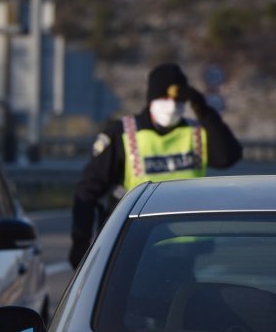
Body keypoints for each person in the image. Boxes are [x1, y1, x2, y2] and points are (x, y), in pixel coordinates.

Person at [68, 63, 243, 268]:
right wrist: (81, 241)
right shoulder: (124, 134)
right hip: (134, 245)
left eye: (178, 99)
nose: (171, 105)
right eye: (165, 98)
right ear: (152, 99)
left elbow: (228, 157)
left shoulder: (195, 132)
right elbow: (88, 190)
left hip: (188, 247)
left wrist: (204, 111)